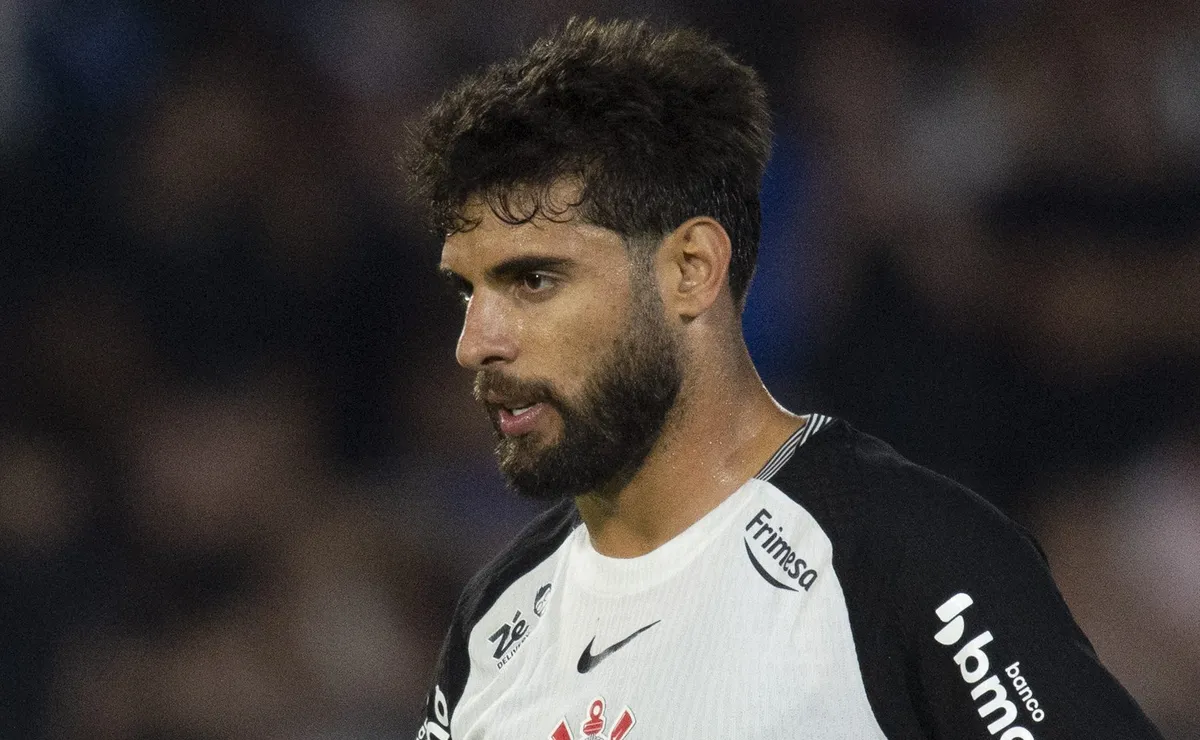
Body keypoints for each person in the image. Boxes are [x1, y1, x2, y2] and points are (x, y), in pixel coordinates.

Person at [408, 18, 1162, 740]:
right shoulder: (495, 618)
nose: (474, 344)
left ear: (690, 270)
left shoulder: (902, 558)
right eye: (466, 293)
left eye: (534, 281)